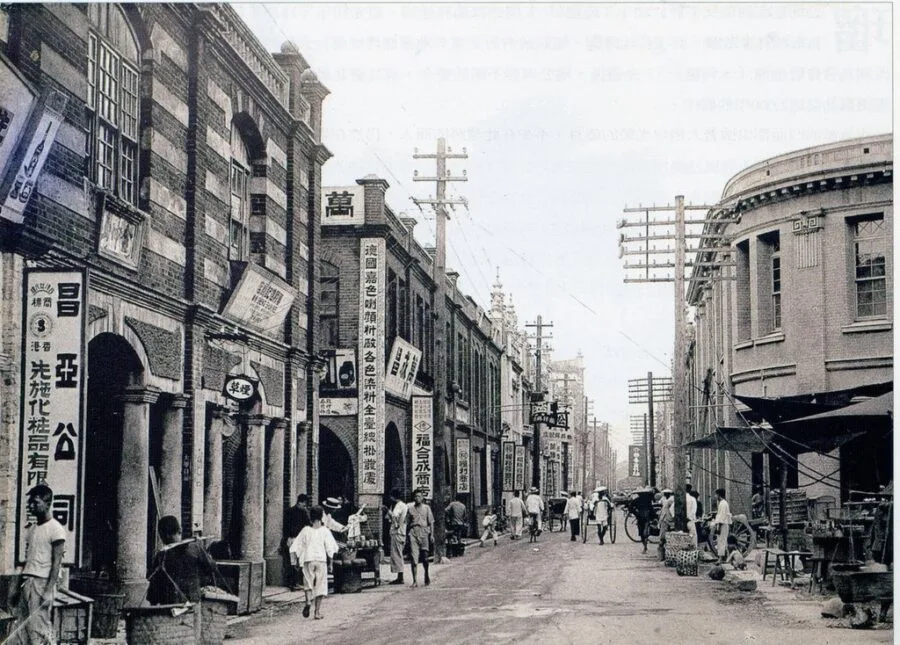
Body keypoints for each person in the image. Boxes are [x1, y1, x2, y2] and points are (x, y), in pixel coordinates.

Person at [12, 484, 66, 645]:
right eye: (30, 503)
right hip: (28, 582)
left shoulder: (56, 529)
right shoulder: (32, 529)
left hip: (42, 583)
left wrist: (48, 591)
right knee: (22, 628)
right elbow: (27, 560)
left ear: (47, 504)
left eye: (36, 502)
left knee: (39, 629)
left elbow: (56, 563)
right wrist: (16, 588)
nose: (31, 506)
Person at [147, 515, 218, 605]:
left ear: (166, 535)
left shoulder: (161, 555)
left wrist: (153, 602)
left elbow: (154, 585)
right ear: (180, 530)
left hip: (169, 603)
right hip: (192, 601)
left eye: (161, 536)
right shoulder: (194, 548)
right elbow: (212, 568)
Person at [290, 505, 338, 620]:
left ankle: (308, 601)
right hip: (321, 560)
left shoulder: (306, 530)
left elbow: (296, 546)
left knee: (308, 583)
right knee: (320, 585)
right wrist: (331, 564)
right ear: (321, 516)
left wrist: (295, 561)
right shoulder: (325, 531)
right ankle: (317, 612)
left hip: (308, 559)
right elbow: (330, 549)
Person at [407, 488, 434, 587]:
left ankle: (426, 574)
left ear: (422, 498)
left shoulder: (426, 508)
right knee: (414, 559)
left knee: (425, 558)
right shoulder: (410, 509)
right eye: (415, 496)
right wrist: (407, 536)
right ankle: (414, 581)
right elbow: (407, 522)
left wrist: (432, 535)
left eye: (419, 496)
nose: (417, 498)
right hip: (413, 532)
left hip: (424, 532)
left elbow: (431, 522)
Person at [284, 494, 311, 591]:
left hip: (290, 538)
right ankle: (297, 583)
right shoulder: (304, 511)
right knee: (300, 562)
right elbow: (308, 524)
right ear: (304, 502)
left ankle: (291, 583)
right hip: (300, 539)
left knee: (292, 561)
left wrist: (287, 538)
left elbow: (285, 526)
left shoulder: (288, 510)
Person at [384, 489, 408, 584]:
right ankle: (399, 576)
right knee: (398, 553)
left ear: (393, 497)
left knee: (397, 554)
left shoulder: (399, 506)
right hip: (402, 532)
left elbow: (395, 516)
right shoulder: (404, 505)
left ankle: (400, 577)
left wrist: (388, 511)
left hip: (397, 532)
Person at [629, 487, 656, 553]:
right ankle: (645, 546)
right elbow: (651, 509)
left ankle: (645, 547)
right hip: (644, 517)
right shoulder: (646, 500)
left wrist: (636, 513)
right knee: (643, 533)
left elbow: (630, 508)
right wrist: (654, 517)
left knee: (643, 533)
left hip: (642, 518)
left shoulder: (637, 500)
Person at [713, 488, 732, 563]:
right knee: (722, 541)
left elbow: (722, 516)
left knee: (721, 541)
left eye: (716, 495)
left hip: (723, 524)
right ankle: (725, 557)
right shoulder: (723, 503)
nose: (715, 496)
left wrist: (719, 527)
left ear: (719, 495)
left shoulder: (723, 503)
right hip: (723, 524)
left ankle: (721, 558)